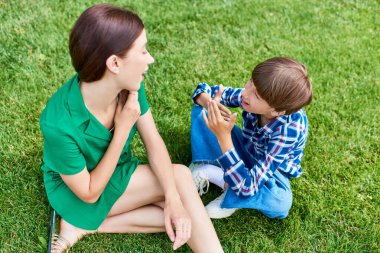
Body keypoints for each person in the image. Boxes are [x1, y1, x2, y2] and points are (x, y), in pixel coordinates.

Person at [40, 4, 224, 252]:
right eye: (143, 51)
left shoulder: (129, 85)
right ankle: (78, 219)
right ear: (114, 63)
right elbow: (89, 192)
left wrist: (172, 200)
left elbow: (153, 140)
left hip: (116, 173)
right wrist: (123, 129)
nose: (151, 59)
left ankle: (85, 226)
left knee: (182, 210)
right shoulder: (57, 123)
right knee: (180, 180)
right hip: (76, 192)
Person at [190, 57, 312, 219]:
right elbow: (202, 91)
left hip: (273, 171)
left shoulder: (290, 130)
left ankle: (214, 175)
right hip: (247, 148)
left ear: (277, 111)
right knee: (203, 113)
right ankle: (221, 173)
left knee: (280, 202)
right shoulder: (253, 95)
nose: (246, 93)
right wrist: (210, 103)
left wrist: (224, 137)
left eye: (257, 96)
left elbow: (249, 186)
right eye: (250, 82)